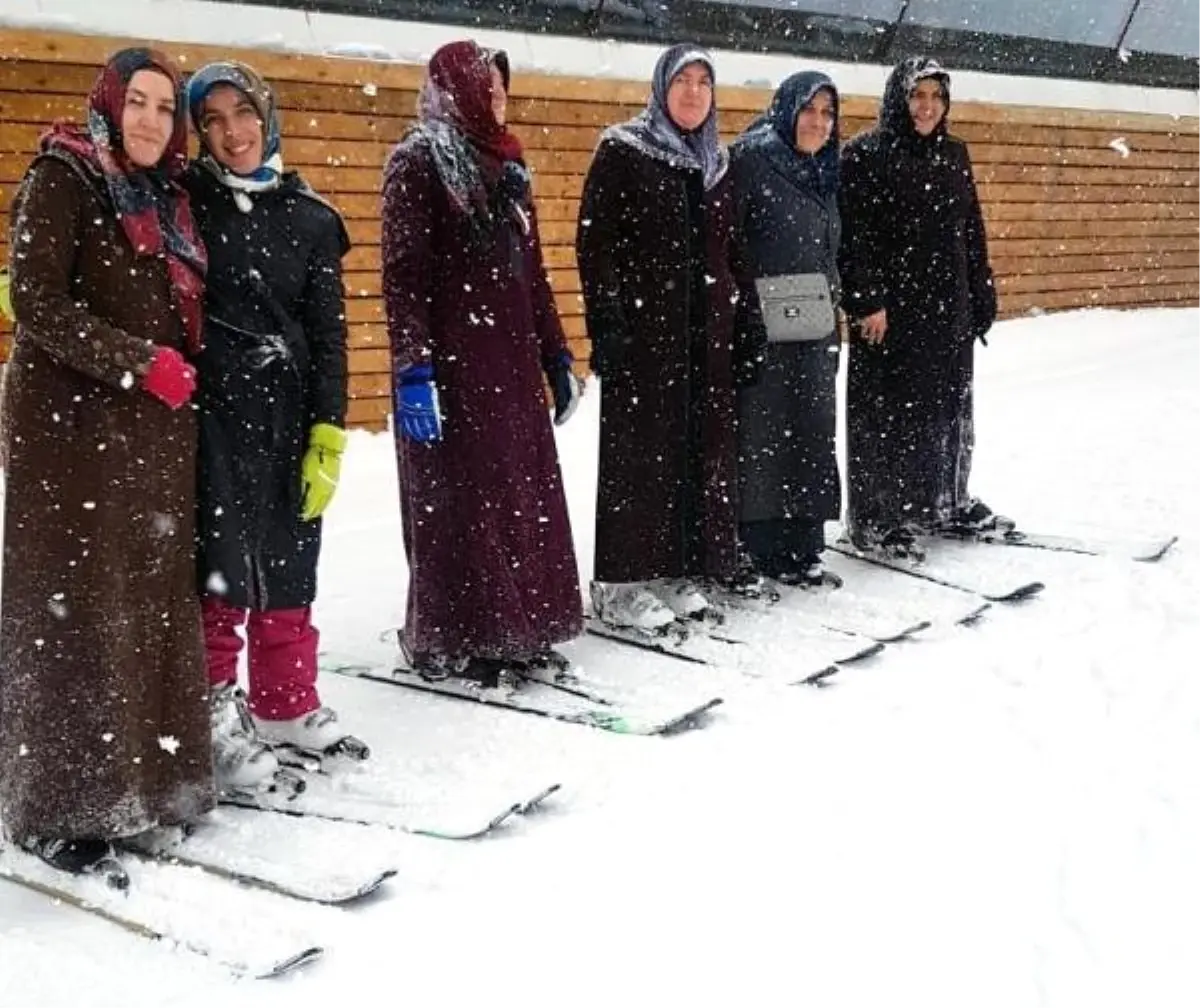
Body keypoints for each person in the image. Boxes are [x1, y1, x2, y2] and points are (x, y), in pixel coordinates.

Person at [0, 48, 214, 882]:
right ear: (109, 105)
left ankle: (142, 786)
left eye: (166, 106)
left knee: (145, 607)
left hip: (150, 439)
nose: (153, 119)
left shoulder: (169, 198)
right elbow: (35, 300)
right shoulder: (64, 174)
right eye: (140, 102)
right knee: (76, 615)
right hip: (70, 439)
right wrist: (138, 361)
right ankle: (61, 805)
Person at [183, 61, 364, 787]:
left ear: (268, 115)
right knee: (221, 568)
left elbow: (329, 333)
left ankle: (287, 700)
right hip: (213, 415)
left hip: (289, 414)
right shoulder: (187, 205)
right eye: (214, 120)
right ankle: (214, 713)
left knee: (291, 556)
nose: (233, 132)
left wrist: (328, 428)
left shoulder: (310, 216)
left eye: (243, 113)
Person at [381, 40, 584, 686]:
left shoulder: (511, 166)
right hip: (452, 371)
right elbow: (403, 277)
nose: (495, 101)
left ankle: (523, 626)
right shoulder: (416, 163)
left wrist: (555, 354)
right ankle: (462, 635)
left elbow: (535, 276)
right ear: (451, 88)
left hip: (512, 370)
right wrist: (414, 369)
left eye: (501, 90)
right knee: (461, 507)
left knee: (522, 503)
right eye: (483, 88)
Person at [576, 43, 766, 633]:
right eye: (682, 81)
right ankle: (619, 582)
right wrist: (608, 324)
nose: (693, 92)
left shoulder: (717, 164)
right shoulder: (623, 150)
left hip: (705, 341)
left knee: (693, 454)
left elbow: (733, 252)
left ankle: (673, 568)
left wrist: (749, 321)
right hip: (645, 339)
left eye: (704, 83)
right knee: (639, 459)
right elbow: (596, 244)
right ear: (661, 88)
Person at [838, 57, 1003, 560]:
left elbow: (969, 230)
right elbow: (854, 235)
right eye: (917, 95)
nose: (927, 106)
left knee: (946, 410)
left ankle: (941, 500)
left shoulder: (954, 154)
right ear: (898, 98)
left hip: (946, 309)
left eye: (936, 96)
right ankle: (875, 517)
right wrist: (866, 299)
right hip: (889, 316)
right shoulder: (865, 154)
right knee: (885, 415)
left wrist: (981, 289)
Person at [730, 71, 844, 589]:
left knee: (811, 431)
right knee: (763, 434)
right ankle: (759, 547)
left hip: (815, 323)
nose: (818, 122)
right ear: (787, 110)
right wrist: (746, 307)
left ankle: (802, 545)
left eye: (827, 113)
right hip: (764, 322)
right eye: (809, 110)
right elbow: (731, 239)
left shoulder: (825, 169)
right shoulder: (752, 160)